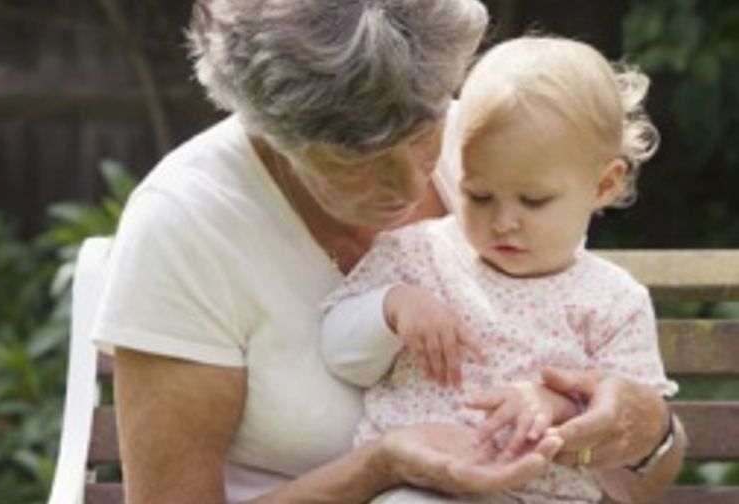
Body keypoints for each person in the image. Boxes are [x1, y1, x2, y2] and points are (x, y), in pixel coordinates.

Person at [88, 0, 684, 501]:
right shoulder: (187, 224)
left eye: (423, 133)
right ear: (270, 134)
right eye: (355, 162)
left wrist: (642, 427)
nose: (410, 186)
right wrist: (379, 466)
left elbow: (640, 466)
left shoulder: (494, 150)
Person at [321, 36, 685, 503]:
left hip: (544, 495)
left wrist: (555, 406)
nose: (503, 221)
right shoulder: (417, 255)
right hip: (419, 484)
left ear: (604, 185)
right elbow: (338, 353)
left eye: (533, 200)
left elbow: (624, 422)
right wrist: (390, 309)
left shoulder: (614, 302)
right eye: (479, 194)